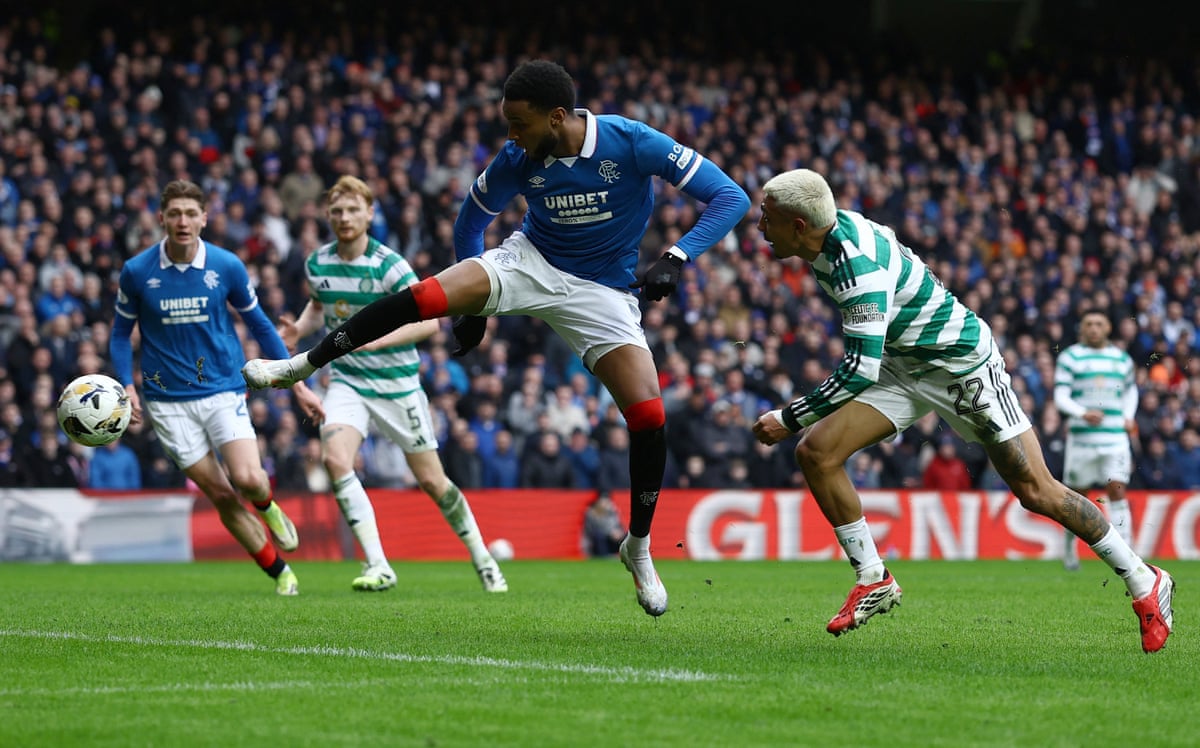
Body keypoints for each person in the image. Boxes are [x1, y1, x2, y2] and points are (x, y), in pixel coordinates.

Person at [243, 59, 750, 616]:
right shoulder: (517, 159)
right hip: (529, 261)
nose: (511, 136)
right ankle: (301, 365)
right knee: (426, 296)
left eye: (520, 124)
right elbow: (470, 222)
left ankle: (639, 548)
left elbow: (730, 197)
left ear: (558, 118)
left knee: (650, 417)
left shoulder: (632, 142)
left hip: (603, 290)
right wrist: (473, 307)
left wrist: (678, 256)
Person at [750, 168, 1173, 652]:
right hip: (902, 364)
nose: (760, 226)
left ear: (800, 226)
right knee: (818, 453)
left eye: (768, 217)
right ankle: (874, 578)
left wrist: (787, 417)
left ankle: (1145, 581)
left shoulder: (857, 268)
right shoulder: (826, 238)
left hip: (960, 368)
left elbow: (857, 370)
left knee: (1039, 491)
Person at [278, 175, 507, 593]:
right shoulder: (318, 263)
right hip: (347, 381)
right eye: (337, 210)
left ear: (369, 214)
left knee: (434, 483)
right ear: (328, 217)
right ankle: (378, 564)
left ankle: (483, 557)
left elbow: (429, 325)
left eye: (352, 209)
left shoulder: (390, 265)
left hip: (398, 386)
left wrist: (372, 338)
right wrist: (298, 327)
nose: (344, 217)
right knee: (335, 460)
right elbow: (318, 307)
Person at [110, 180, 325, 596]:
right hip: (167, 402)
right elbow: (121, 334)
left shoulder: (226, 266)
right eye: (174, 214)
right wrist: (126, 386)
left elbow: (260, 323)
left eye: (191, 213)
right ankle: (281, 573)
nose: (183, 222)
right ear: (161, 218)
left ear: (205, 218)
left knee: (248, 479)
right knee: (222, 495)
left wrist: (295, 382)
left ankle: (267, 506)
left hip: (222, 389)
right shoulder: (137, 272)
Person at [1054, 309, 1138, 571]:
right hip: (1082, 440)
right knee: (1077, 498)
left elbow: (1130, 390)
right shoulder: (1071, 357)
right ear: (1082, 328)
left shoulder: (1121, 359)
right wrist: (1081, 413)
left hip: (1115, 438)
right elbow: (1060, 396)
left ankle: (1128, 557)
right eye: (1088, 323)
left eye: (1098, 323)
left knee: (1117, 491)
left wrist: (1128, 416)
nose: (1093, 328)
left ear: (1108, 327)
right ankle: (1069, 549)